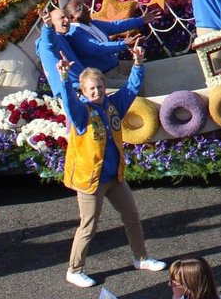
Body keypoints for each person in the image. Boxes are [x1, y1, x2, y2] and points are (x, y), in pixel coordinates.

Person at [52, 48, 166, 287]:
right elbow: (70, 103)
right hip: (90, 180)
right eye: (91, 89)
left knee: (132, 217)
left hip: (115, 176)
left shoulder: (113, 105)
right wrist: (63, 78)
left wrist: (138, 63)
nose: (97, 92)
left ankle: (141, 257)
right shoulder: (82, 113)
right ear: (83, 91)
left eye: (100, 87)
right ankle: (74, 269)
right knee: (89, 226)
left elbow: (132, 88)